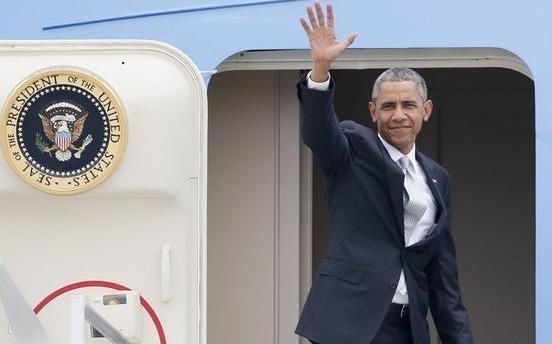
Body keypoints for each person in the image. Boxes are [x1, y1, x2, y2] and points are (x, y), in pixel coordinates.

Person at [295, 3, 474, 344]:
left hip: (406, 326)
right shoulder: (353, 147)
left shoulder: (438, 178)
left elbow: (442, 277)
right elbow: (319, 133)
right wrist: (320, 69)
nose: (399, 115)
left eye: (408, 105)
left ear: (426, 110)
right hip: (350, 322)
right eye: (388, 106)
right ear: (373, 112)